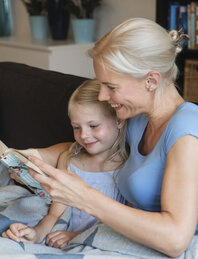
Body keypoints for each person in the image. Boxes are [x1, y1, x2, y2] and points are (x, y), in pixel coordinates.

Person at [23, 18, 198, 257]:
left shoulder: (188, 131)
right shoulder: (138, 120)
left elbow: (175, 240)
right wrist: (34, 156)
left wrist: (85, 197)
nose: (103, 96)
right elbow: (87, 145)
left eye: (111, 87)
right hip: (121, 243)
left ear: (151, 81)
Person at [2, 79, 128, 248]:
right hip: (60, 238)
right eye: (77, 127)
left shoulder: (128, 168)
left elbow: (125, 225)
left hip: (97, 242)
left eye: (93, 126)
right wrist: (36, 234)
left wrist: (75, 236)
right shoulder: (69, 161)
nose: (84, 135)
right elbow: (54, 215)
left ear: (119, 121)